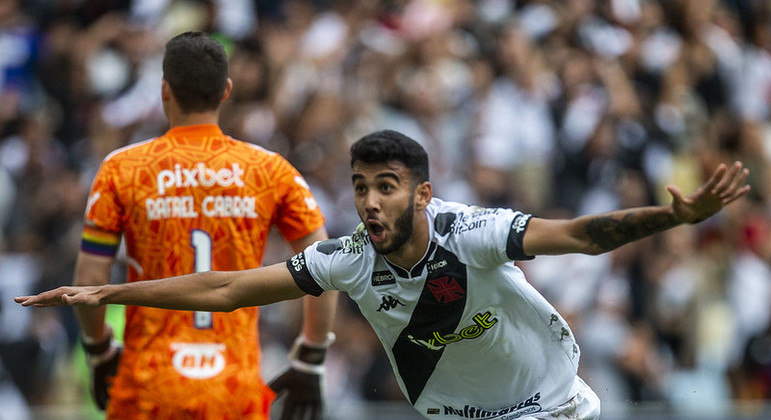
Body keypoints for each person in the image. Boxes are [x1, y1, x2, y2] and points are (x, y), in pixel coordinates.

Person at [17, 130, 750, 419]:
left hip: (552, 408)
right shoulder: (347, 261)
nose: (369, 199)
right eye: (362, 184)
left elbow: (585, 237)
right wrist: (108, 288)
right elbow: (225, 287)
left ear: (422, 193)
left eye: (387, 185)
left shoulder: (476, 232)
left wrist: (673, 217)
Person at [52, 31, 338, 420]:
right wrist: (310, 355)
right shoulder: (269, 170)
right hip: (232, 390)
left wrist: (98, 349)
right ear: (227, 90)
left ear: (164, 90)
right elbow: (324, 266)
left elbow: (88, 277)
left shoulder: (123, 168)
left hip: (149, 387)